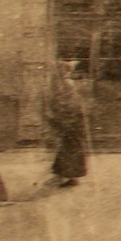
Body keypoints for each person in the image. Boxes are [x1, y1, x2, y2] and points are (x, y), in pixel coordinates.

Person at [45, 58, 91, 188]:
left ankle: (71, 178)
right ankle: (60, 174)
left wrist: (63, 119)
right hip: (70, 120)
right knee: (67, 147)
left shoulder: (66, 83)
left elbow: (70, 104)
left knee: (71, 149)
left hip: (72, 121)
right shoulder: (63, 82)